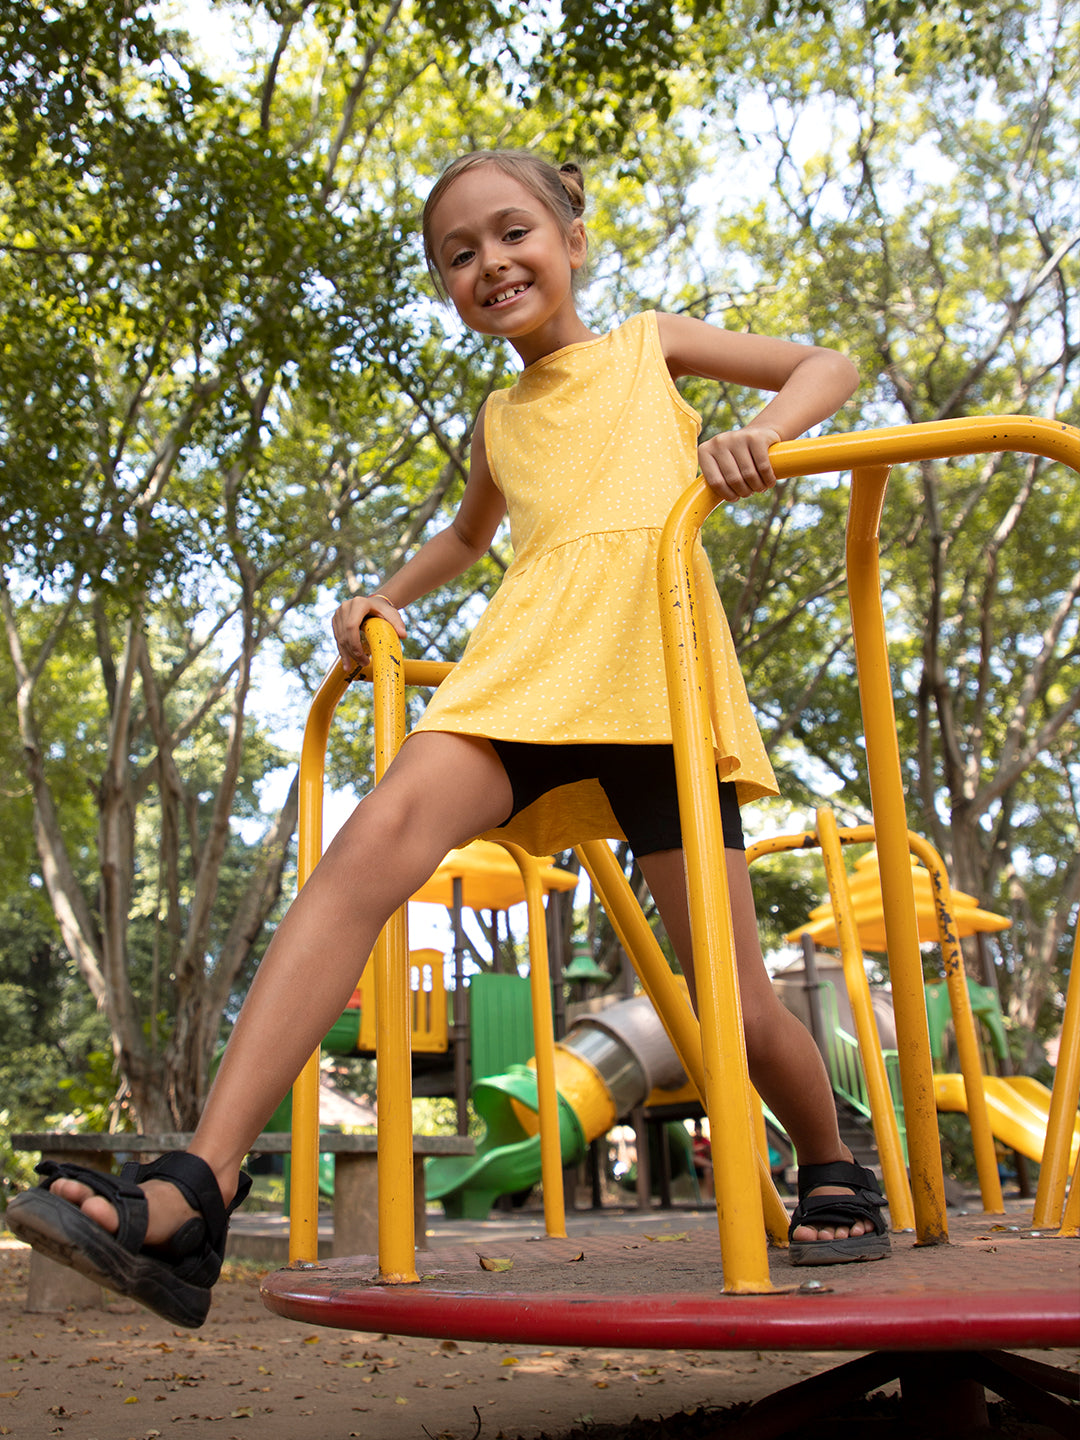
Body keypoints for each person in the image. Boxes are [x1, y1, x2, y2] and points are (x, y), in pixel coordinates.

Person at [8, 148, 890, 1327]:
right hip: (526, 670)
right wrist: (381, 596)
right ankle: (198, 1184)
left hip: (657, 678)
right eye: (459, 254)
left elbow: (830, 363)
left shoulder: (649, 346)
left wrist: (755, 437)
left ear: (572, 239)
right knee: (365, 850)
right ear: (447, 287)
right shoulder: (496, 420)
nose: (491, 263)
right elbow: (469, 543)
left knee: (730, 1003)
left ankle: (831, 1156)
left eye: (513, 233)